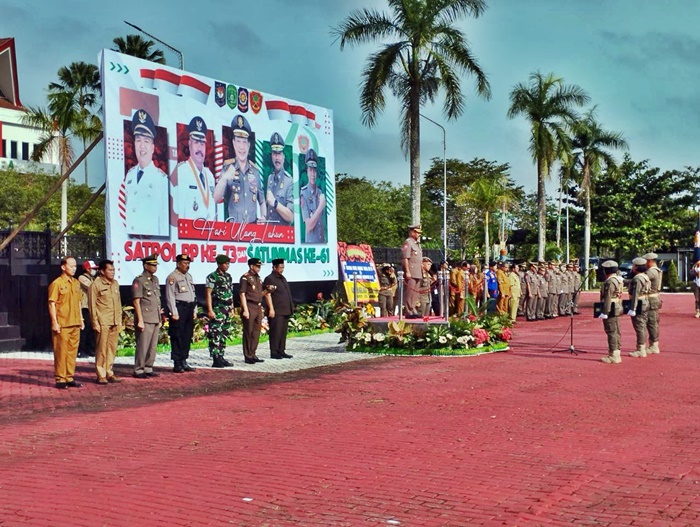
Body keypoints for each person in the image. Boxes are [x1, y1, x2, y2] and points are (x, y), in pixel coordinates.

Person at [124, 109, 169, 237]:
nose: (142, 146)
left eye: (146, 141)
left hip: (151, 243)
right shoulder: (130, 175)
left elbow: (164, 223)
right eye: (138, 140)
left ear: (153, 148)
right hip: (129, 242)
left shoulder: (161, 179)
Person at [214, 115, 265, 224]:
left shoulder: (255, 171)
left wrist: (264, 217)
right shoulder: (227, 167)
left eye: (244, 142)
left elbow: (262, 201)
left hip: (252, 230)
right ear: (233, 143)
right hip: (233, 230)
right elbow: (216, 198)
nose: (241, 147)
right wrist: (224, 178)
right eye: (238, 141)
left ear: (248, 144)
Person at [170, 116, 217, 226]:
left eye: (202, 143)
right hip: (189, 238)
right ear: (189, 144)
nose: (200, 149)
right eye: (196, 142)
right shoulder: (180, 172)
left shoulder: (210, 176)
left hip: (209, 238)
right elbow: (171, 213)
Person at [48, 256, 84, 389]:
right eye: (71, 266)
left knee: (72, 352)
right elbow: (51, 304)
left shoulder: (76, 283)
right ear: (63, 267)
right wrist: (54, 322)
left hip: (74, 322)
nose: (74, 268)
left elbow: (79, 302)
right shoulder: (57, 283)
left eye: (75, 266)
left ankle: (70, 376)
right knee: (61, 351)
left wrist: (81, 319)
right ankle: (60, 378)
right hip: (62, 323)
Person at [89, 260, 122, 385]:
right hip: (103, 321)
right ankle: (101, 374)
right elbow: (92, 305)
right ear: (102, 271)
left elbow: (118, 303)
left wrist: (119, 320)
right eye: (110, 270)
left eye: (113, 270)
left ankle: (109, 371)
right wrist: (94, 322)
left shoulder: (115, 284)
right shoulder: (96, 285)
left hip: (114, 320)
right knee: (101, 349)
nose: (112, 272)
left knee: (112, 348)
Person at [165, 254, 197, 373]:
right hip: (179, 308)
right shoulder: (172, 277)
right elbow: (170, 295)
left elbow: (193, 294)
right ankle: (177, 362)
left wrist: (195, 310)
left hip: (189, 307)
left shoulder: (189, 276)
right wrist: (174, 311)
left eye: (188, 263)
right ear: (178, 263)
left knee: (187, 335)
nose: (187, 266)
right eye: (184, 263)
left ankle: (184, 360)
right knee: (177, 335)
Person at [132, 255, 162, 379]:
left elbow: (157, 300)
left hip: (155, 317)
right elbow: (136, 301)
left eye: (156, 265)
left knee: (152, 346)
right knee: (143, 345)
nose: (155, 267)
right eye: (153, 265)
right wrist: (140, 320)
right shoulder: (139, 280)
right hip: (145, 317)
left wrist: (160, 318)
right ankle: (139, 369)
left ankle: (148, 367)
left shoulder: (155, 279)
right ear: (146, 266)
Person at [205, 254, 235, 368]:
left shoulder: (228, 276)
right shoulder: (212, 277)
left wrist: (231, 307)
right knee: (215, 333)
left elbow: (230, 293)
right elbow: (208, 294)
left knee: (224, 333)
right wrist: (210, 310)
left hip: (226, 309)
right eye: (225, 264)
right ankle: (215, 358)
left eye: (228, 263)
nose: (227, 266)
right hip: (218, 308)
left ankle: (221, 356)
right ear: (219, 264)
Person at [240, 258, 270, 364]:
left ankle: (253, 353)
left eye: (260, 266)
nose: (259, 268)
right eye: (257, 266)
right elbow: (242, 294)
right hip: (249, 306)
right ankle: (247, 356)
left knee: (256, 332)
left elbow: (258, 294)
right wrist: (245, 310)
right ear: (251, 266)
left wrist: (267, 291)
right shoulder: (245, 278)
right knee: (248, 331)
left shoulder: (258, 278)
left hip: (257, 307)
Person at [263, 258, 294, 359]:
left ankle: (281, 350)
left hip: (285, 310)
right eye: (280, 267)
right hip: (276, 310)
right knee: (275, 331)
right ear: (274, 267)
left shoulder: (282, 278)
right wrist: (271, 309)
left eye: (283, 267)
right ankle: (274, 352)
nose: (282, 269)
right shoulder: (270, 278)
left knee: (282, 332)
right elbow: (267, 295)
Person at [598, 260, 624, 364]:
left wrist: (605, 311)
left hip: (611, 307)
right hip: (617, 306)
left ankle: (613, 355)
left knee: (611, 331)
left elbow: (608, 297)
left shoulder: (610, 281)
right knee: (616, 330)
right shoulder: (618, 279)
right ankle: (616, 352)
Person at [265, 132, 294, 225]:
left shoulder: (289, 181)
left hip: (282, 236)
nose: (277, 158)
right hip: (268, 234)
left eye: (279, 154)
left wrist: (275, 203)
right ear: (271, 156)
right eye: (274, 153)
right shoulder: (270, 178)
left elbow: (290, 217)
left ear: (284, 157)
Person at [300, 148, 326, 243]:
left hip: (323, 246)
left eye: (314, 171)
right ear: (307, 171)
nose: (313, 174)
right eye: (310, 170)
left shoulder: (320, 192)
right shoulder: (303, 193)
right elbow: (309, 226)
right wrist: (320, 206)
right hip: (311, 247)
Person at [627, 257, 652, 358]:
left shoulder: (637, 278)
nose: (633, 267)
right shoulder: (645, 277)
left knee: (639, 326)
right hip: (645, 301)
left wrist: (632, 308)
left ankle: (640, 349)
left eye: (634, 266)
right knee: (642, 325)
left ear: (636, 267)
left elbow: (636, 294)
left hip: (639, 303)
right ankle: (642, 346)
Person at [401, 224, 423, 318]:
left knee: (416, 292)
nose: (419, 234)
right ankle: (408, 310)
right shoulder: (408, 243)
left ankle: (413, 308)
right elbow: (405, 258)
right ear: (412, 232)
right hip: (411, 271)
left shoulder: (417, 244)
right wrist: (407, 271)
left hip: (418, 271)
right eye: (417, 232)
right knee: (410, 291)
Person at [643, 252, 663, 354]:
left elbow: (641, 280)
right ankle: (653, 344)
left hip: (651, 299)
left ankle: (654, 345)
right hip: (654, 299)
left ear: (649, 261)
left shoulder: (651, 272)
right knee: (652, 322)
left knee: (652, 323)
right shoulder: (655, 270)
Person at [78, 260, 98, 358]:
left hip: (92, 307)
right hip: (84, 307)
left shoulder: (93, 278)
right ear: (87, 269)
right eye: (93, 269)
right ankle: (82, 350)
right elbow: (91, 288)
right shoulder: (82, 278)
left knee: (91, 329)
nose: (95, 270)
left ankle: (91, 349)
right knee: (84, 330)